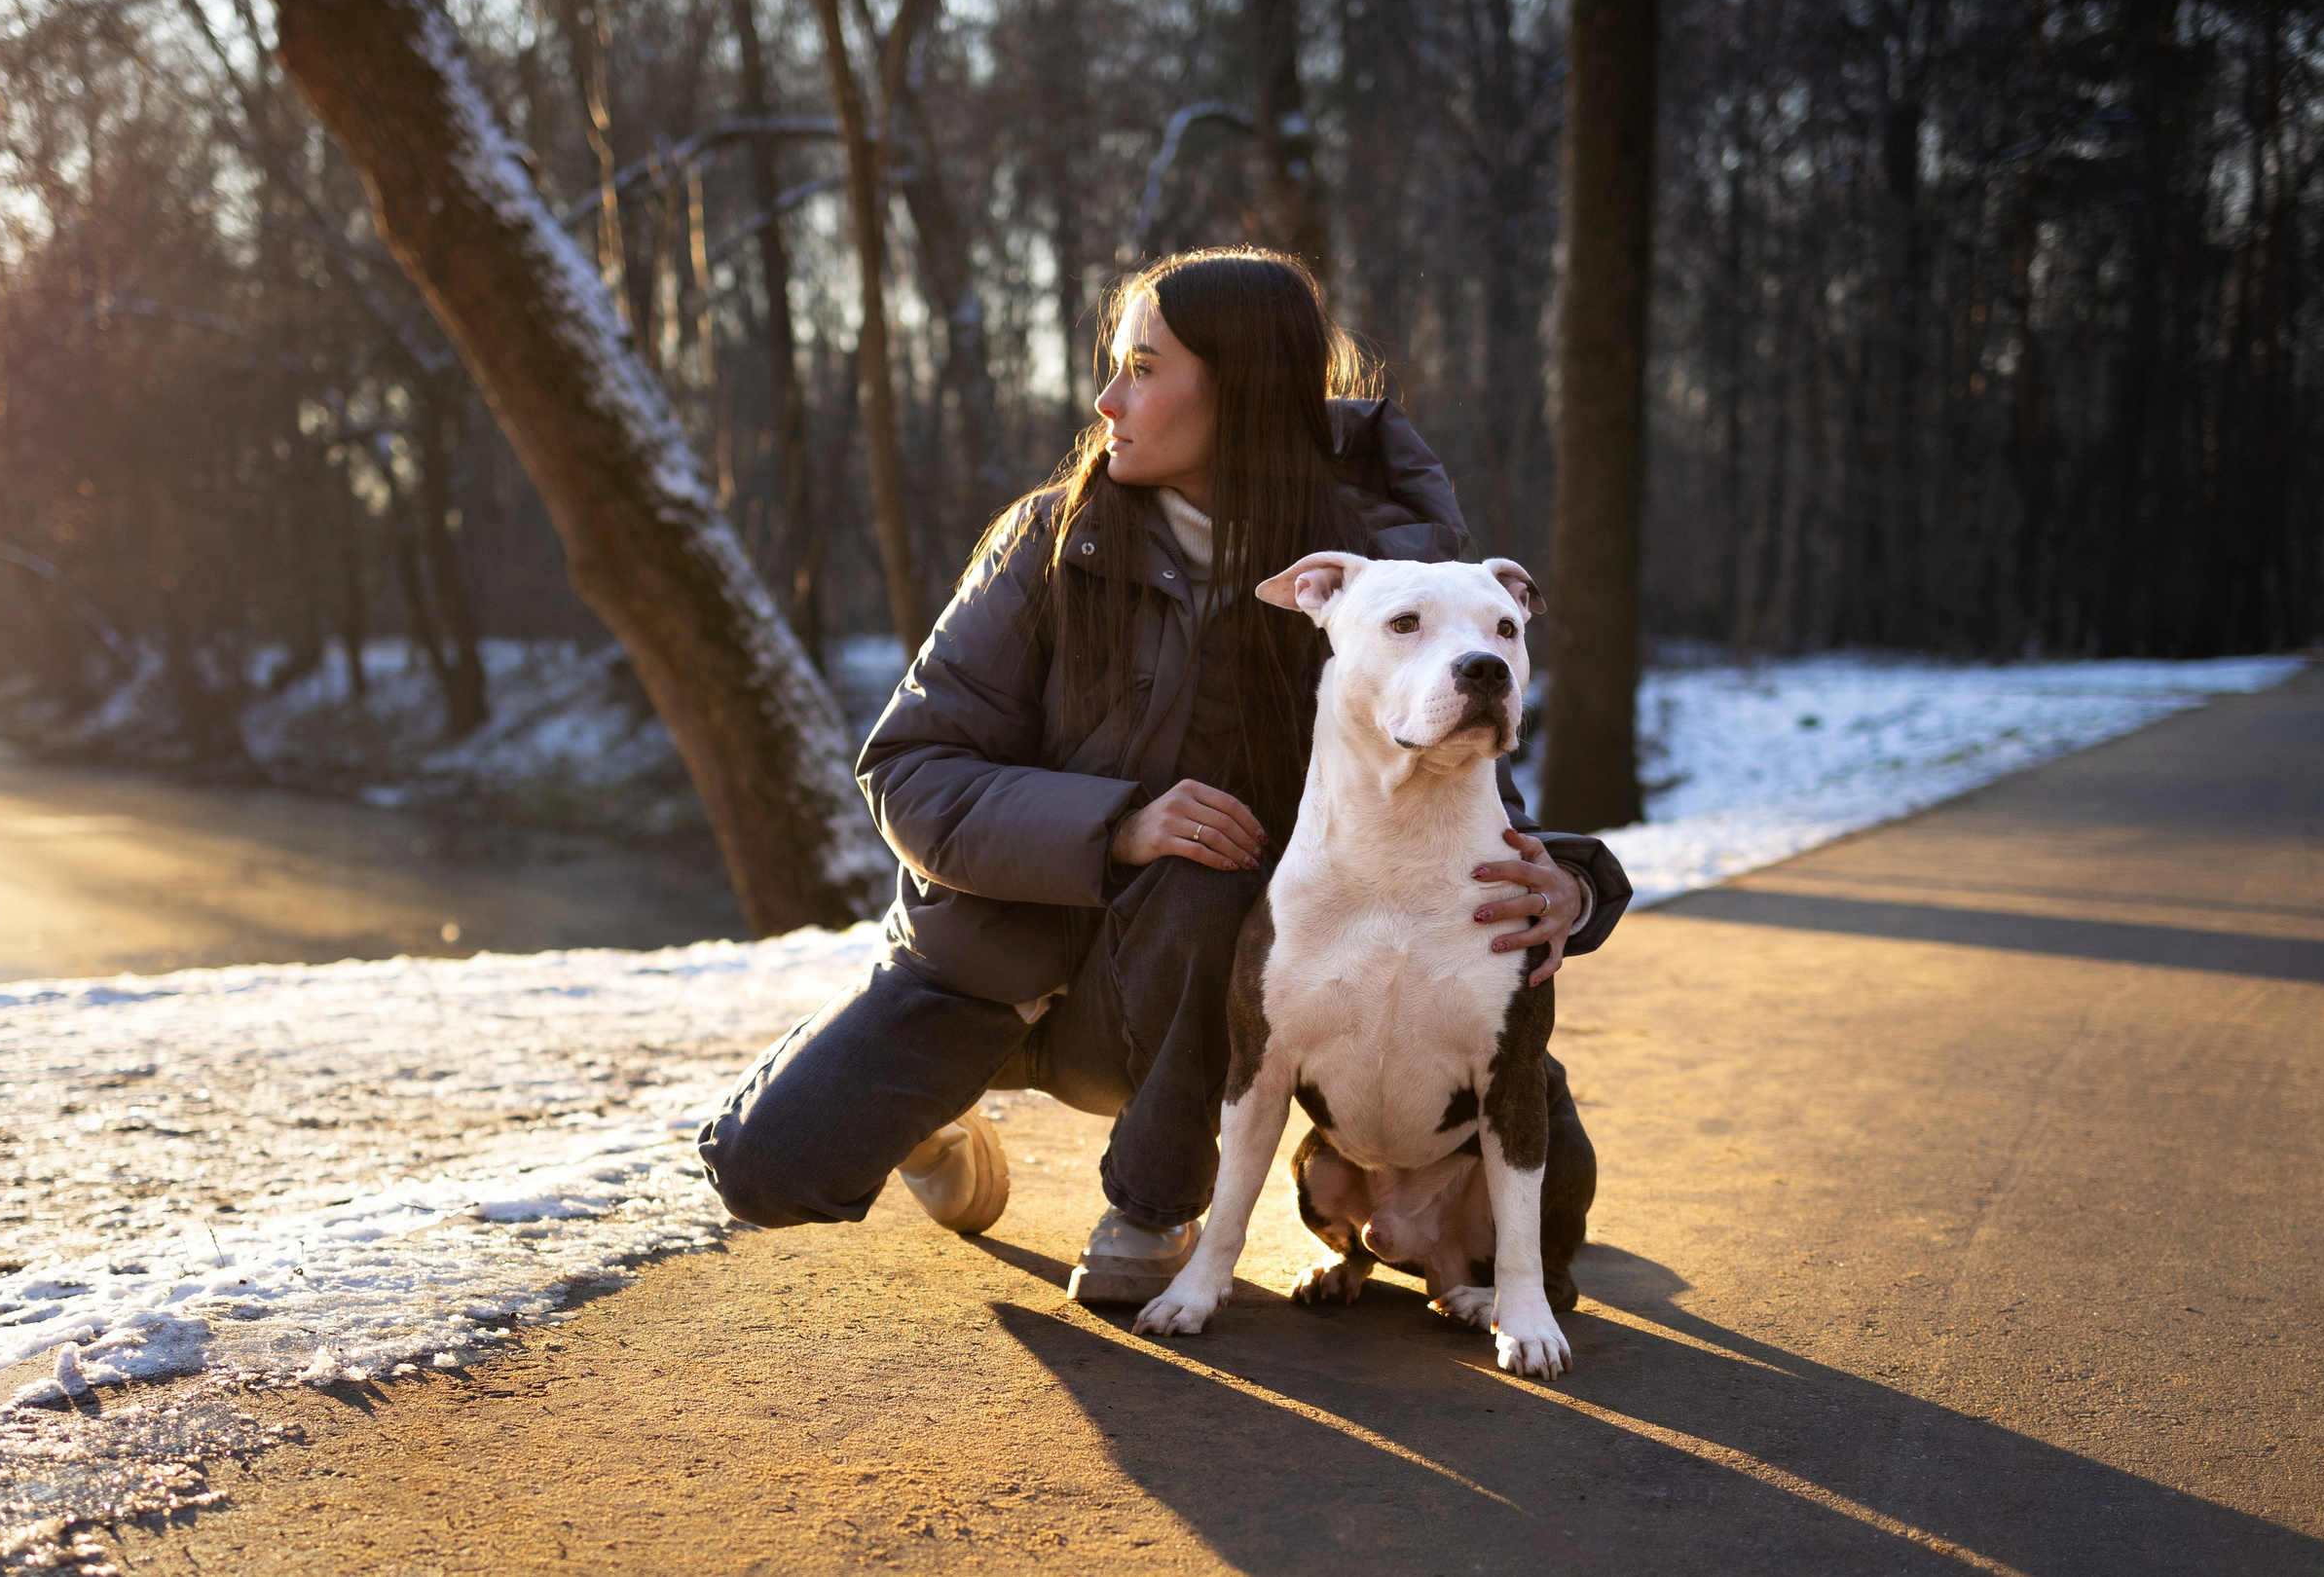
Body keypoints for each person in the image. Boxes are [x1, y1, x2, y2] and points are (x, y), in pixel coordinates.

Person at [697, 247, 1631, 1302]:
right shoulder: (1047, 540)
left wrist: (1575, 881)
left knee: (1218, 878)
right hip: (989, 960)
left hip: (1201, 977)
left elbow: (1457, 781)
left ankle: (1151, 1207)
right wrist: (1122, 821)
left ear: (1241, 390)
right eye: (1117, 366)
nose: (1108, 399)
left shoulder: (1379, 565)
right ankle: (938, 1124)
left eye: (1142, 368)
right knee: (764, 1169)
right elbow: (907, 769)